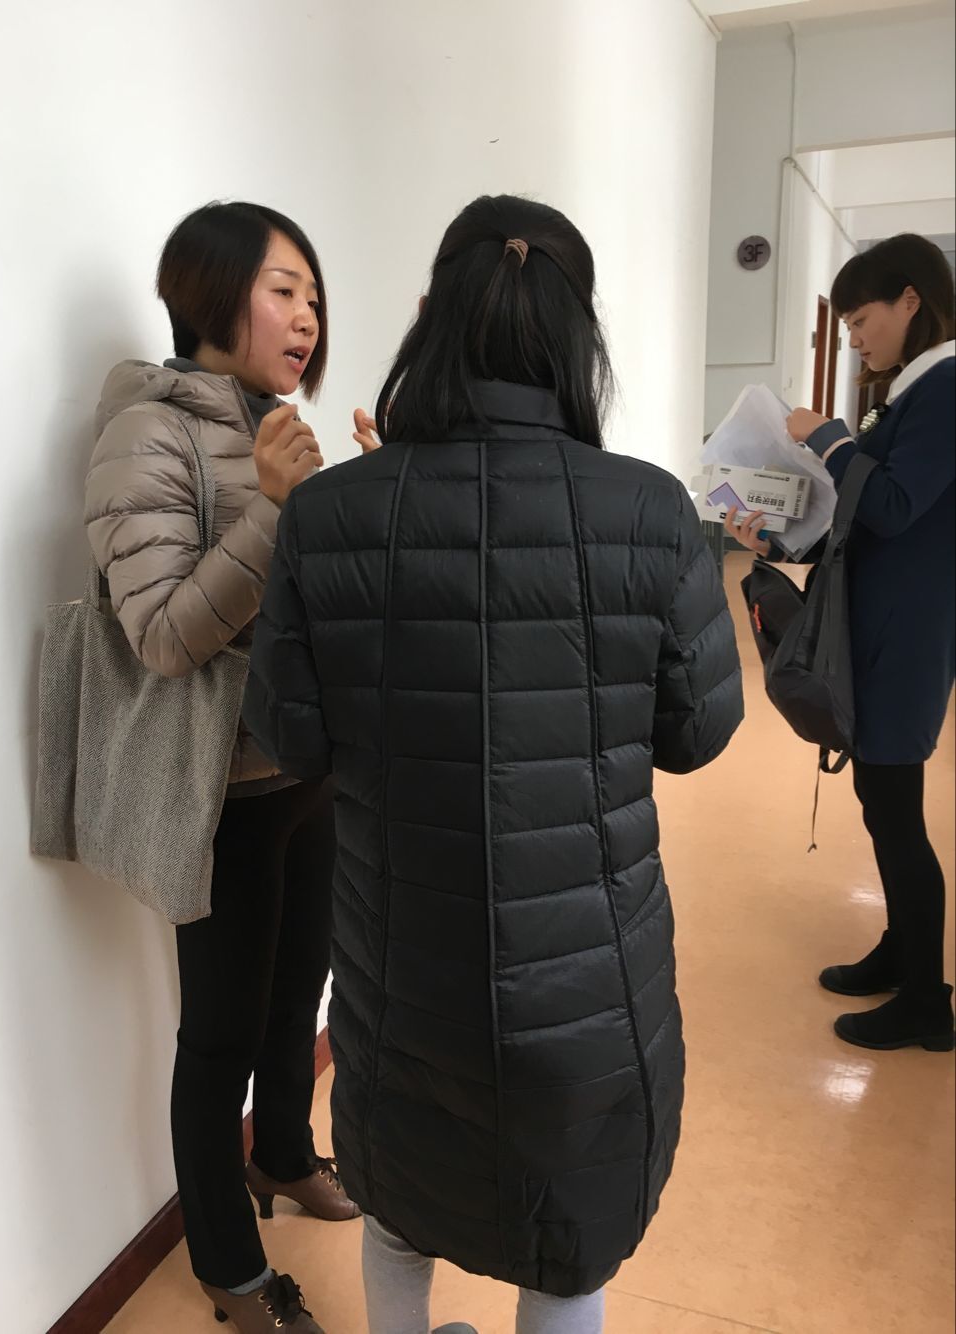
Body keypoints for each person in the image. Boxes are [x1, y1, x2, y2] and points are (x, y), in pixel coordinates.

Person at [243, 194, 744, 1334]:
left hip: (401, 965)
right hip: (588, 977)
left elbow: (291, 737)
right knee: (567, 1244)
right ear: (578, 331)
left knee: (396, 1205)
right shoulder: (651, 511)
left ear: (431, 313)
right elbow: (695, 733)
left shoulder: (327, 516)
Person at [84, 202, 359, 1334]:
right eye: (282, 289)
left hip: (305, 767)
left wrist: (371, 499)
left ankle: (284, 1153)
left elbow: (309, 604)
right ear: (210, 291)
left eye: (312, 295)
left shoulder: (276, 426)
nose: (305, 316)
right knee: (219, 1036)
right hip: (223, 793)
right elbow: (162, 635)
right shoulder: (143, 436)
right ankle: (229, 1267)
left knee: (302, 992)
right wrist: (280, 508)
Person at [727, 233, 955, 1054]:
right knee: (880, 802)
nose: (854, 338)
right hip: (881, 626)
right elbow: (862, 526)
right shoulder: (911, 392)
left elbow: (889, 505)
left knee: (894, 811)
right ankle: (902, 952)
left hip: (905, 636)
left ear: (909, 301)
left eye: (860, 319)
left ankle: (926, 1003)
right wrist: (776, 540)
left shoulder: (946, 387)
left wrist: (827, 439)